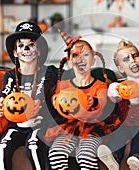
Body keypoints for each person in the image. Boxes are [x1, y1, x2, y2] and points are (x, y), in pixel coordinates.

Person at [45, 29, 109, 170]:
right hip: (68, 129)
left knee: (85, 155)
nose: (80, 59)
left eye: (85, 54)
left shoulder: (100, 86)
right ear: (69, 61)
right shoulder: (63, 85)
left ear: (93, 59)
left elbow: (104, 106)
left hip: (92, 129)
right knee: (56, 154)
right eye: (76, 55)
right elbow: (56, 103)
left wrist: (95, 102)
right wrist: (55, 100)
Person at [97, 39, 139, 170]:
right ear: (120, 68)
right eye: (126, 59)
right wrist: (118, 89)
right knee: (119, 133)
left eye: (135, 56)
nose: (132, 60)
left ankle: (136, 157)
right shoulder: (119, 84)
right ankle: (114, 157)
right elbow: (112, 95)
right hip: (124, 123)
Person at [0, 21, 50, 170]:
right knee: (3, 147)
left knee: (33, 146)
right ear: (15, 52)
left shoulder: (46, 74)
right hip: (16, 125)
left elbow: (42, 92)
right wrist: (1, 104)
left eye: (31, 44)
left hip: (39, 124)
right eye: (21, 45)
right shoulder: (10, 76)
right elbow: (5, 93)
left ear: (39, 51)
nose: (26, 48)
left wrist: (37, 103)